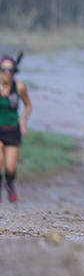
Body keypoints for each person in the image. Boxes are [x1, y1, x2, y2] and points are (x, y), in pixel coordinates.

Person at [0, 52, 31, 203]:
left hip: (12, 130)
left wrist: (23, 120)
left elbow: (28, 106)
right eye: (4, 70)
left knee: (10, 168)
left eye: (10, 70)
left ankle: (10, 184)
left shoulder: (19, 87)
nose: (7, 73)